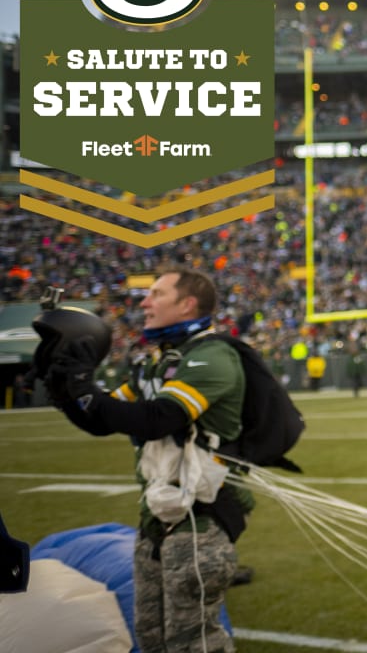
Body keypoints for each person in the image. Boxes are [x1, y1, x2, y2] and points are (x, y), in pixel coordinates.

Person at [39, 268, 251, 652]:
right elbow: (100, 421)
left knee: (194, 643)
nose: (144, 302)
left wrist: (86, 389)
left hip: (200, 522)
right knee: (151, 637)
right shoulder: (155, 363)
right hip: (156, 520)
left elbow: (158, 419)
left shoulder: (213, 355)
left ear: (187, 304)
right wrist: (65, 391)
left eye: (156, 294)